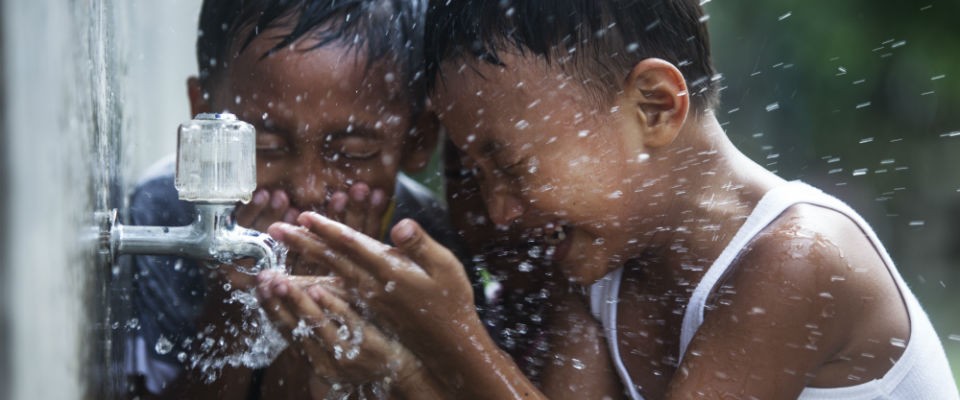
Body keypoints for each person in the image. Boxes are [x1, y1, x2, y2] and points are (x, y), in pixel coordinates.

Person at [264, 0, 960, 398]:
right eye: (471, 170)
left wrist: (451, 337)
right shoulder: (601, 265)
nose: (500, 212)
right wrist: (403, 372)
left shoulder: (797, 261)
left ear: (654, 106)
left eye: (508, 161)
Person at [122, 0, 460, 398]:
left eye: (352, 152)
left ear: (417, 139)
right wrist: (232, 313)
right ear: (204, 115)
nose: (309, 187)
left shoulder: (424, 243)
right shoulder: (165, 218)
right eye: (265, 145)